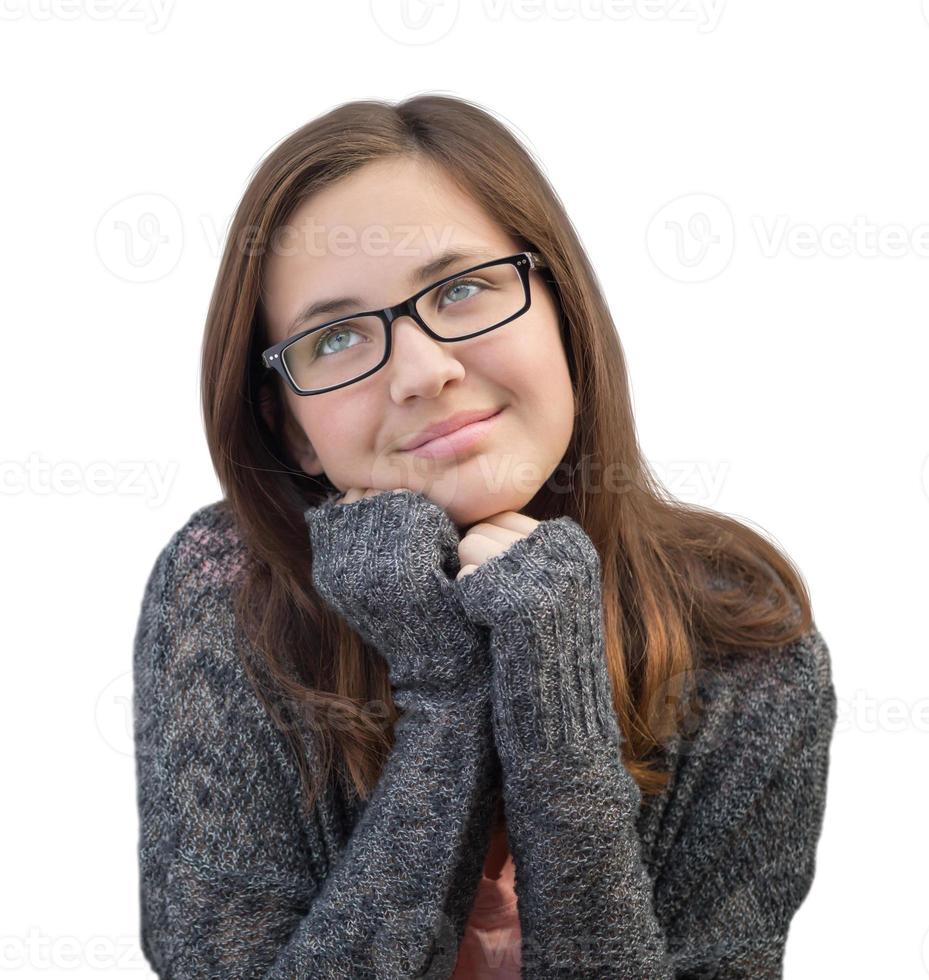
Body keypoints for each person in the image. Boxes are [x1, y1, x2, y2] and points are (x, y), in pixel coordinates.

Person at [132, 94, 837, 978]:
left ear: (561, 310)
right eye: (338, 338)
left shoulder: (744, 640)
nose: (425, 371)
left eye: (462, 289)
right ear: (289, 426)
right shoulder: (223, 592)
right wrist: (445, 694)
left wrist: (557, 709)